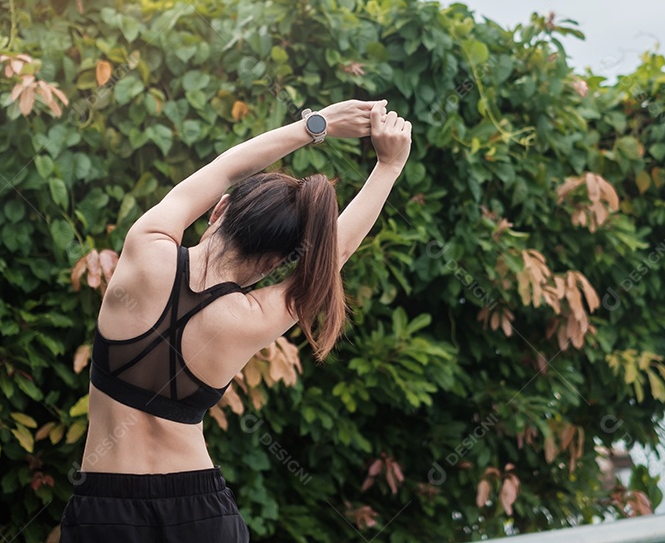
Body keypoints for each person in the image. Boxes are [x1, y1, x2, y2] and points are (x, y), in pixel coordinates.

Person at [59, 99, 412, 542]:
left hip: (104, 513)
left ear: (219, 209)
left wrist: (315, 125)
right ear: (276, 263)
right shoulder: (250, 319)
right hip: (200, 515)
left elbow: (225, 169)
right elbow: (333, 255)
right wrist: (389, 167)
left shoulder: (145, 250)